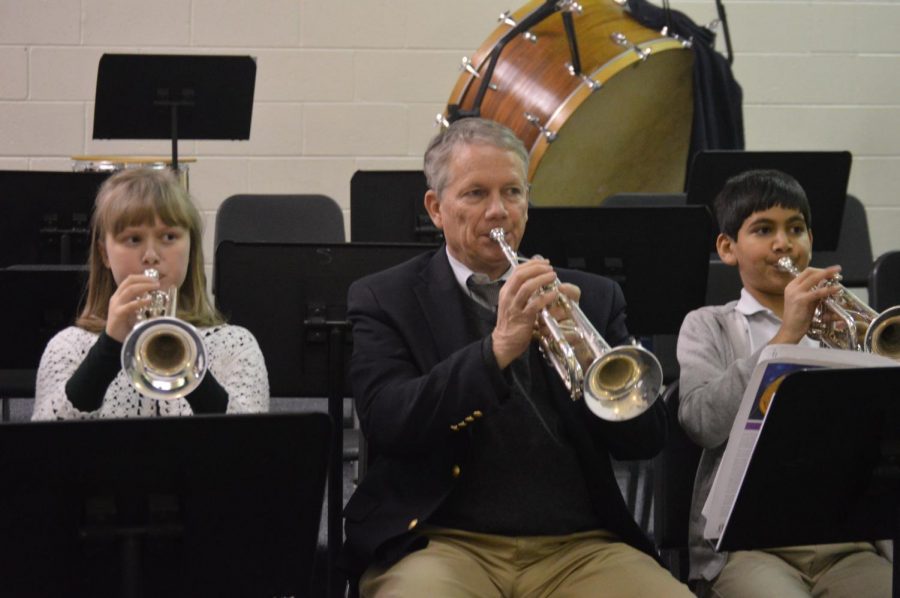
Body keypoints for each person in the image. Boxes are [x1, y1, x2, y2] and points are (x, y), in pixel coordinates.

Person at [342, 117, 692, 597]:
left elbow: (644, 441)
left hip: (577, 545)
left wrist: (590, 363)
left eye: (512, 193)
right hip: (442, 541)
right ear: (435, 208)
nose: (498, 211)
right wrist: (497, 350)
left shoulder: (593, 296)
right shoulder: (386, 297)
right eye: (475, 194)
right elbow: (389, 421)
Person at [677, 169, 893, 597]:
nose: (783, 243)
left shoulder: (850, 326)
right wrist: (785, 338)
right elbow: (700, 422)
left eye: (796, 228)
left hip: (847, 541)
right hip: (749, 547)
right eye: (763, 229)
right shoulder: (709, 326)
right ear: (727, 248)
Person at [33, 168, 269, 419]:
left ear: (191, 247)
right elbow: (42, 447)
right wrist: (108, 349)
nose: (151, 256)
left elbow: (254, 445)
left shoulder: (235, 345)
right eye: (133, 239)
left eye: (169, 237)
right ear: (104, 254)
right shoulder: (69, 346)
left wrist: (188, 366)